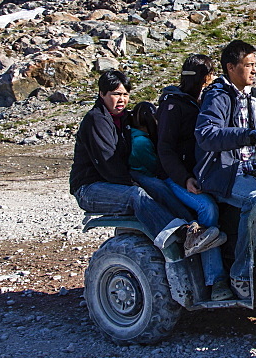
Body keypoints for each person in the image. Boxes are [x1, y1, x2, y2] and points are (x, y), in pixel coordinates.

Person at [69, 70, 214, 251]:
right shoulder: (96, 120)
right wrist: (133, 182)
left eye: (125, 94)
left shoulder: (123, 119)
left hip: (116, 177)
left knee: (158, 185)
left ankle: (193, 227)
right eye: (115, 94)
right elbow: (107, 163)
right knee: (136, 195)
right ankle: (180, 234)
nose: (121, 99)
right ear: (102, 94)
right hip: (90, 187)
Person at [194, 40, 256, 299]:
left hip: (252, 169)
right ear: (231, 67)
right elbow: (206, 134)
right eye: (249, 65)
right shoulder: (218, 95)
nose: (254, 70)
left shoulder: (251, 97)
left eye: (255, 65)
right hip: (223, 173)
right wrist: (246, 135)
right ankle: (241, 274)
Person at [155, 54, 232, 301]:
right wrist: (184, 178)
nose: (210, 81)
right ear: (203, 78)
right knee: (207, 208)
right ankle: (216, 281)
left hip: (202, 174)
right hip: (176, 177)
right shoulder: (173, 105)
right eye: (208, 76)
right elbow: (164, 149)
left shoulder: (201, 101)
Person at [130, 101, 226, 262]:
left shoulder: (135, 138)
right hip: (156, 179)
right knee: (203, 205)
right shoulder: (142, 143)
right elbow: (155, 166)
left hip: (155, 177)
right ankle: (194, 238)